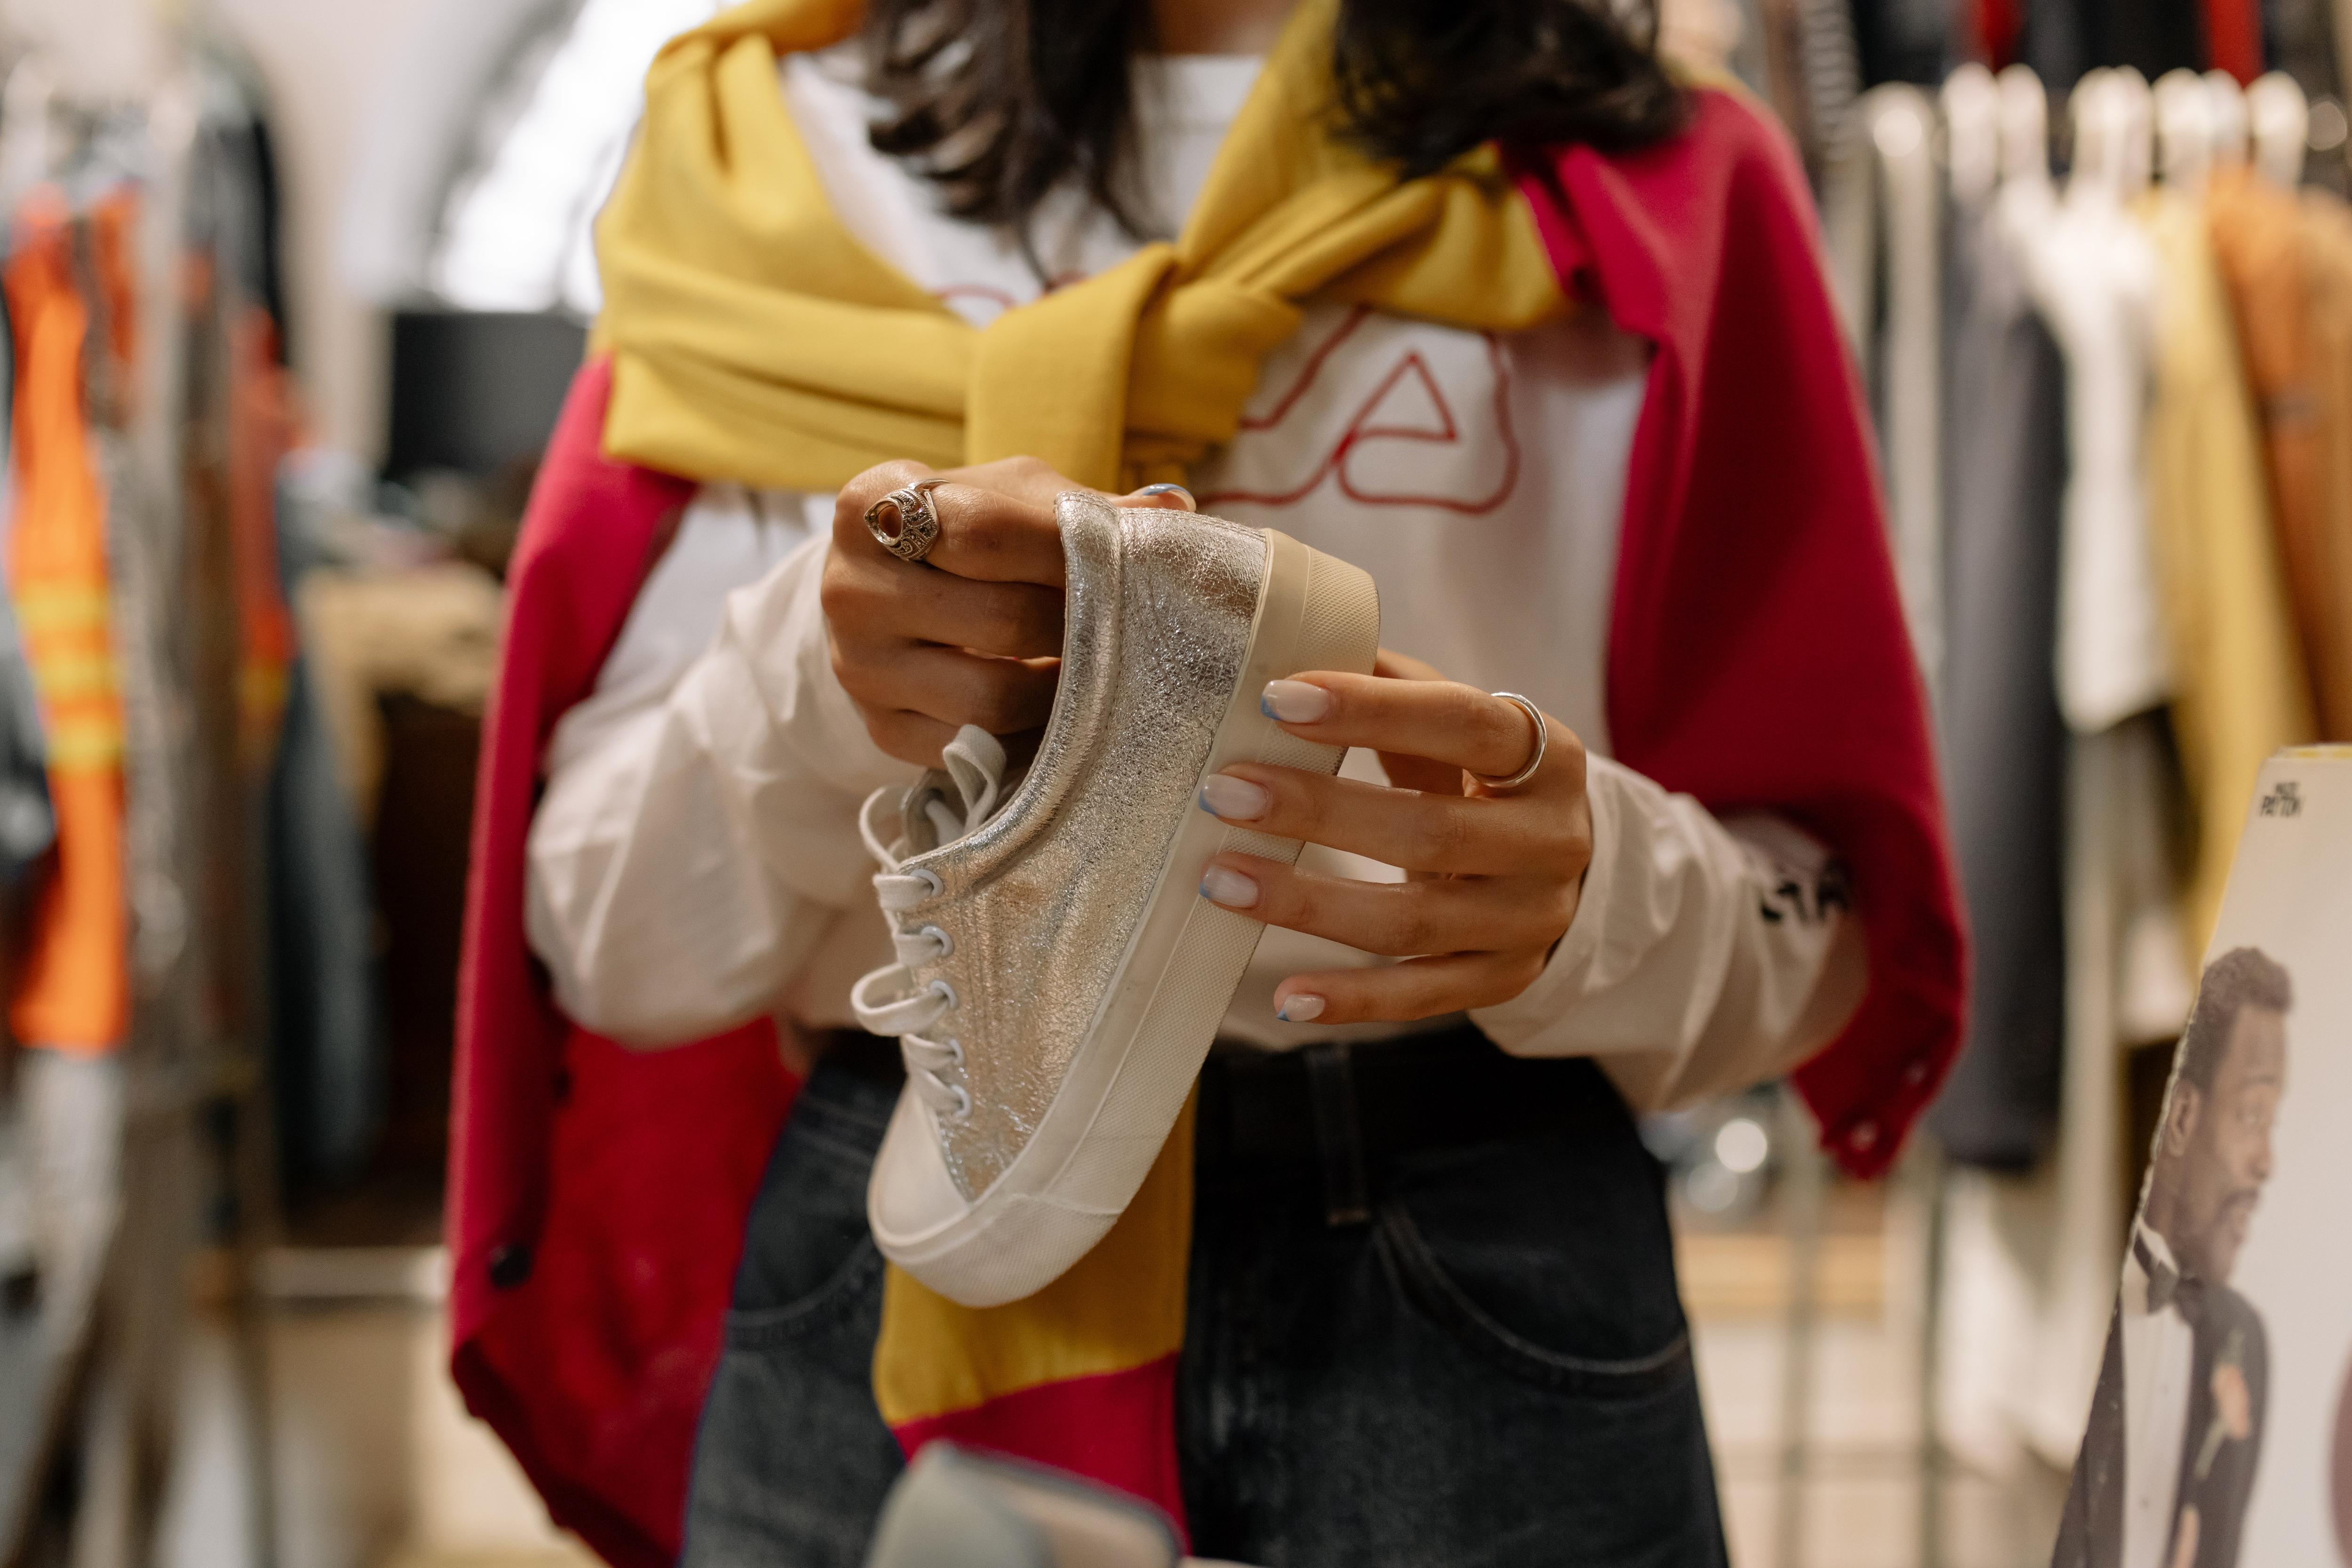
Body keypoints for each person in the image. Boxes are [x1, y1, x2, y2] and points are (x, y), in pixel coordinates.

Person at [448, 0, 1967, 1563]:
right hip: (908, 1208)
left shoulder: (1661, 178)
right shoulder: (764, 162)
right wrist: (824, 684)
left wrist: (1599, 893)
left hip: (1475, 1226)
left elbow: (1831, 931)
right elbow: (599, 936)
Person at [2057, 946, 2291, 1568]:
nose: (2266, 1160)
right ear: (2183, 1119)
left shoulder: (2247, 1342)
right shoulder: (2089, 1323)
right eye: (2250, 1117)